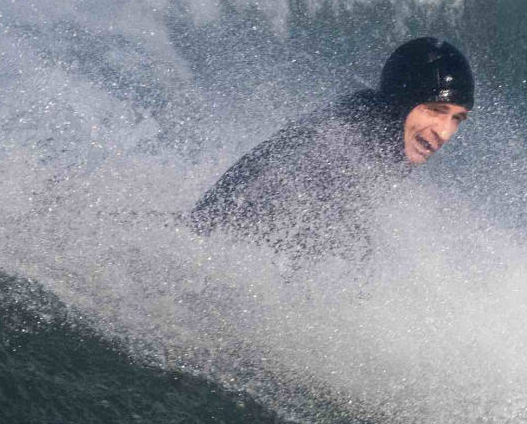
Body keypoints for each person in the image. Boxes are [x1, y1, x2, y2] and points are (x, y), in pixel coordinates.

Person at [190, 37, 475, 259]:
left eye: (457, 118)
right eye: (435, 109)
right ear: (402, 99)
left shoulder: (379, 128)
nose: (444, 132)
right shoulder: (348, 143)